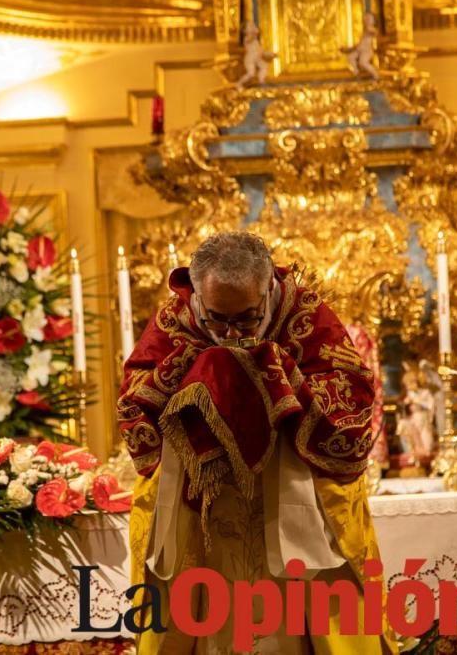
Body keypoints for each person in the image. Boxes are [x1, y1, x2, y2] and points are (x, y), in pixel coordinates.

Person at [119, 231, 394, 653]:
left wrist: (281, 379)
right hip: (204, 515)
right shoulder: (179, 318)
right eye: (217, 319)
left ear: (268, 289)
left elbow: (353, 401)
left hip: (291, 502)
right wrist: (195, 378)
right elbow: (134, 403)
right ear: (197, 293)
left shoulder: (304, 313)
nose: (230, 334)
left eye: (246, 319)